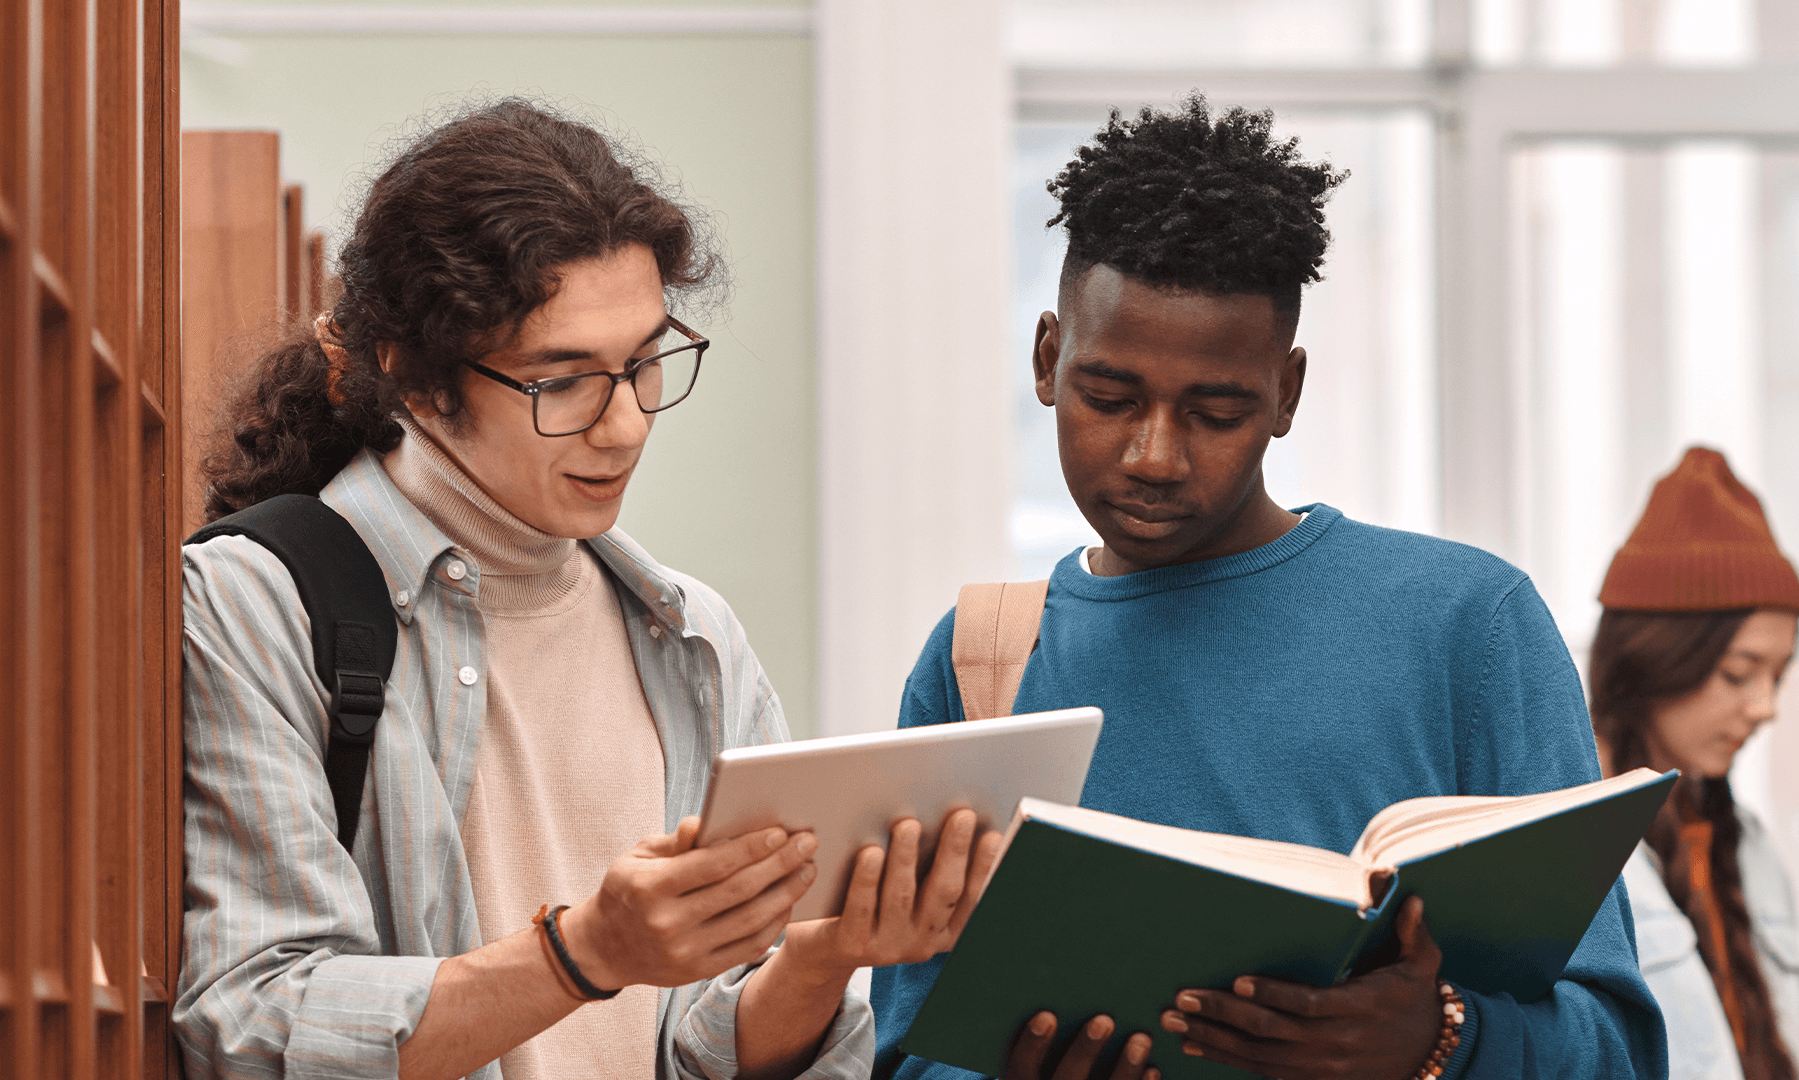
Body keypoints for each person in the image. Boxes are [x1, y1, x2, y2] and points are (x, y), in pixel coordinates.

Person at [175, 99, 994, 1080]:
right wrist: (583, 956)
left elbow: (707, 1049)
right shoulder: (254, 601)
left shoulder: (692, 638)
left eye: (645, 362)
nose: (626, 425)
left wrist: (824, 957)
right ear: (412, 369)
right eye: (563, 381)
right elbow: (255, 1024)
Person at [870, 94, 1668, 1080]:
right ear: (1047, 359)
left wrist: (1441, 1040)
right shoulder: (979, 661)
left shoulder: (1469, 625)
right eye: (1110, 398)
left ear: (1286, 394)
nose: (1155, 455)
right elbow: (907, 1051)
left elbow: (1622, 1052)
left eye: (1217, 411)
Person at [1590, 447, 1799, 1080]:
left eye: (1779, 674)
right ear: (1656, 659)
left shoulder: (1744, 840)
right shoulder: (1571, 849)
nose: (1765, 708)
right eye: (1739, 673)